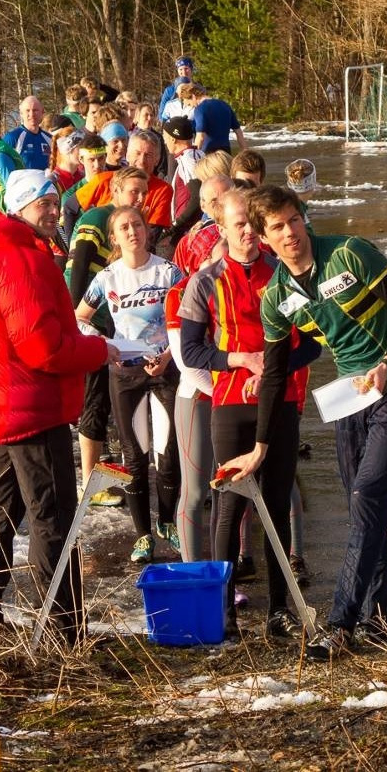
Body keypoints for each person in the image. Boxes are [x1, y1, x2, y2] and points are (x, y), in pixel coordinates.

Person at [223, 184, 387, 659]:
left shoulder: (350, 254)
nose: (290, 232)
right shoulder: (276, 297)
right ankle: (377, 625)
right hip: (349, 398)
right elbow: (273, 376)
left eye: (294, 220)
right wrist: (260, 447)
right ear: (263, 238)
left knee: (366, 495)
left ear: (303, 218)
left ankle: (339, 623)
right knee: (366, 508)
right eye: (278, 227)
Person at [0, 169, 117, 643]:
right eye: (41, 203)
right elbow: (43, 349)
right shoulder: (20, 261)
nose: (52, 210)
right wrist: (98, 350)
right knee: (52, 519)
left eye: (54, 201)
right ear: (18, 210)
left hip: (1, 407)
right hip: (29, 409)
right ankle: (65, 631)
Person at [179, 189, 319, 636]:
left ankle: (279, 612)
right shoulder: (205, 282)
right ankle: (225, 614)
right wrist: (239, 360)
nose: (246, 232)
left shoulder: (282, 277)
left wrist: (275, 372)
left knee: (276, 504)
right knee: (228, 507)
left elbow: (312, 343)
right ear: (221, 228)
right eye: (237, 224)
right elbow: (191, 350)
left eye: (251, 224)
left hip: (280, 403)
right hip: (230, 404)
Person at [76, 207, 183, 564]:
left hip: (165, 369)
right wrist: (106, 347)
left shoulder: (168, 272)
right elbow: (79, 318)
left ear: (147, 230)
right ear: (115, 238)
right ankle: (143, 535)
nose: (133, 231)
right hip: (125, 374)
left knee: (168, 454)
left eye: (137, 224)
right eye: (124, 227)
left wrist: (168, 355)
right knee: (133, 456)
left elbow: (189, 319)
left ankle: (167, 521)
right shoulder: (108, 278)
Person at [65, 167, 150, 506]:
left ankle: (99, 469)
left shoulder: (131, 224)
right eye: (133, 191)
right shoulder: (98, 217)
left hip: (109, 323)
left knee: (106, 399)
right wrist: (78, 324)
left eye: (143, 192)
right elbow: (79, 266)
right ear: (115, 189)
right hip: (90, 323)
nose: (140, 198)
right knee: (95, 401)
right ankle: (89, 483)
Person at [165, 223, 226, 562]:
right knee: (195, 490)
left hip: (231, 397)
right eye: (222, 247)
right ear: (205, 256)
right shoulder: (180, 292)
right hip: (198, 397)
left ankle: (221, 573)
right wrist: (224, 391)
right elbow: (187, 362)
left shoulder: (234, 285)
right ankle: (192, 572)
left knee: (225, 491)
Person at [161, 116, 205, 246]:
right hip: (192, 227)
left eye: (165, 136)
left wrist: (175, 225)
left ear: (173, 138)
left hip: (186, 230)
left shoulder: (188, 160)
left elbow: (197, 197)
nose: (164, 140)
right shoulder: (199, 154)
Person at [183, 84, 247, 154]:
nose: (192, 106)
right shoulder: (225, 105)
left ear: (193, 96)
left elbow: (200, 137)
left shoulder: (200, 109)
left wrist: (194, 155)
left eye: (189, 103)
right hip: (226, 152)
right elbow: (239, 132)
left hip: (209, 153)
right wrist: (245, 152)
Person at [3, 95, 52, 170]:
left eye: (35, 110)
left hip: (46, 181)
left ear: (42, 112)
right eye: (27, 110)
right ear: (21, 114)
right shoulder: (12, 138)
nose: (32, 114)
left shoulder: (50, 139)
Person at [158, 56, 195, 121]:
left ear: (191, 69)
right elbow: (161, 115)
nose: (183, 72)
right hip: (173, 128)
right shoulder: (170, 91)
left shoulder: (197, 89)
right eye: (180, 69)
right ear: (177, 71)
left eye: (186, 68)